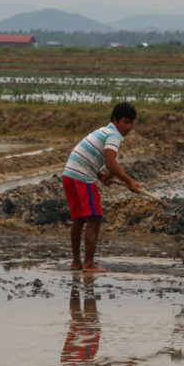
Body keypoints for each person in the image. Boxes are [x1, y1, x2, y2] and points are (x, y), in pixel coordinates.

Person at [62, 101, 140, 272]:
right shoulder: (114, 135)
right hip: (81, 177)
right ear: (115, 120)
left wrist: (102, 176)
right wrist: (130, 182)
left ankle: (76, 262)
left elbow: (89, 156)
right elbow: (110, 162)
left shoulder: (103, 131)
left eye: (131, 123)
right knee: (94, 218)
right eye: (125, 122)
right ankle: (88, 264)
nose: (128, 127)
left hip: (69, 174)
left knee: (79, 219)